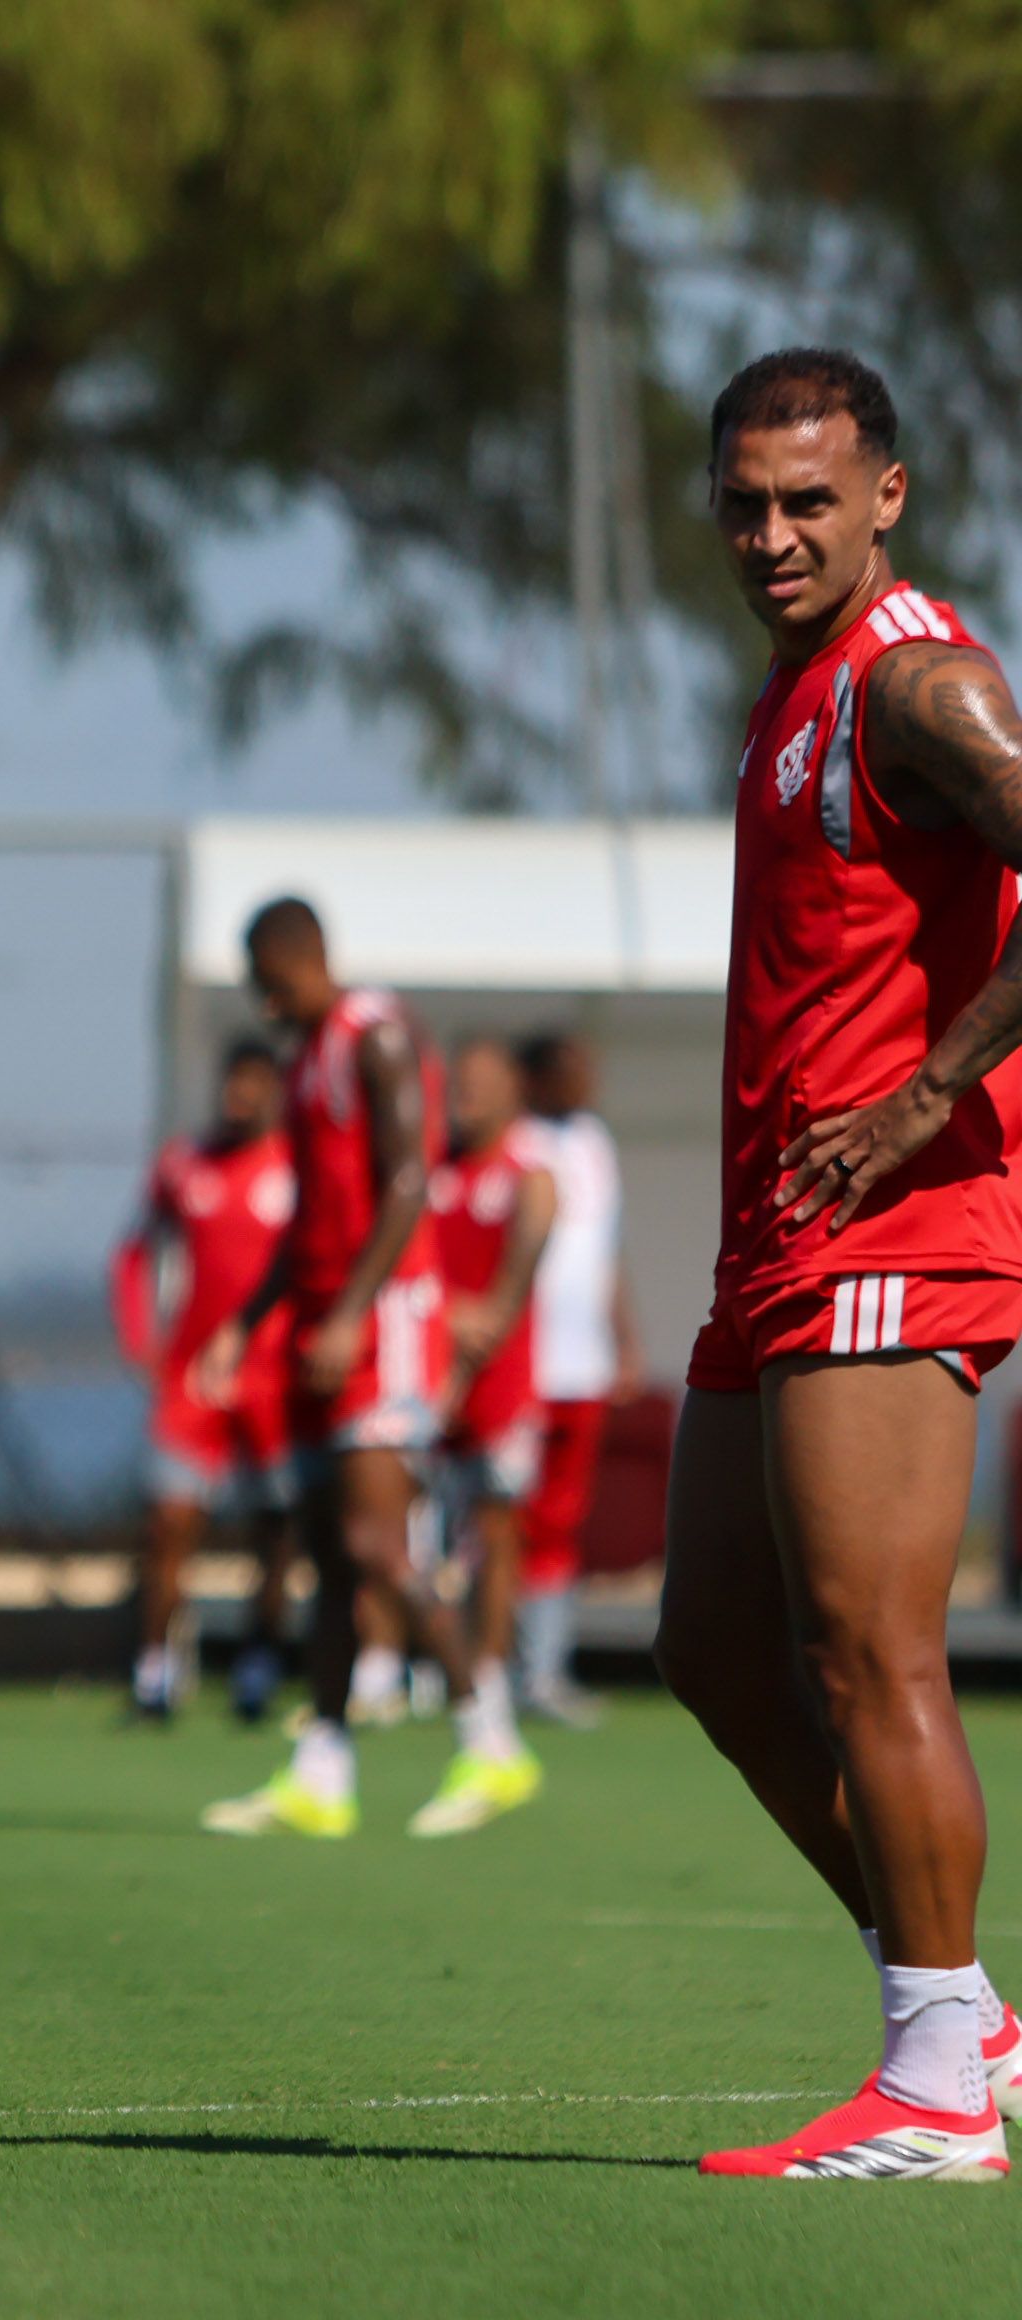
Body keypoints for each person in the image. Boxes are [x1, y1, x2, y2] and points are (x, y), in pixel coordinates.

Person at [661, 349, 1022, 2180]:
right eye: (744, 499)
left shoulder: (917, 681)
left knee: (873, 1650)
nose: (773, 531)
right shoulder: (792, 684)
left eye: (810, 498)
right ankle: (962, 2015)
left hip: (894, 1219)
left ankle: (942, 2083)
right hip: (777, 1230)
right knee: (714, 1645)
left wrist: (927, 1092)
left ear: (886, 491)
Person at [197, 899, 538, 1839]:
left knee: (377, 1545)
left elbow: (405, 1184)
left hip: (381, 1324)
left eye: (265, 979)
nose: (261, 1000)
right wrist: (250, 1321)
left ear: (296, 962)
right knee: (328, 1553)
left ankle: (492, 1739)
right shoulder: (305, 1062)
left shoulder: (374, 1039)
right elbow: (309, 1215)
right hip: (321, 1328)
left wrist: (349, 1312)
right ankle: (323, 1769)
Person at [109, 1035, 296, 1724]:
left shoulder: (295, 1169)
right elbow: (132, 1253)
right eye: (232, 1081)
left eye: (255, 1083)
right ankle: (154, 1674)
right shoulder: (184, 1164)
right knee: (168, 1524)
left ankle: (258, 1666)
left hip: (275, 1378)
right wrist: (141, 1340)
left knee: (276, 1529)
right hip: (193, 1378)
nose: (240, 1096)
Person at [426, 1039, 558, 1700]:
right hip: (424, 1383)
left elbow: (505, 1302)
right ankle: (393, 1670)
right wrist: (446, 1318)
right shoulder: (428, 1174)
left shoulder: (530, 1178)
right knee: (409, 1535)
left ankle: (489, 1676)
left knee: (497, 1533)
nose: (466, 1091)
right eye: (461, 1078)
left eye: (481, 1079)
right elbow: (412, 1275)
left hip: (500, 1391)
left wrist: (461, 1358)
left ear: (514, 1090)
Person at [514, 1029, 637, 1724]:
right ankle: (480, 1670)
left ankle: (544, 1672)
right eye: (567, 1070)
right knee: (502, 1519)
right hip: (520, 1366)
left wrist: (623, 1339)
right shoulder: (515, 1144)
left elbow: (606, 1252)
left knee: (561, 1519)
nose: (583, 1083)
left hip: (580, 1363)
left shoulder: (594, 1143)